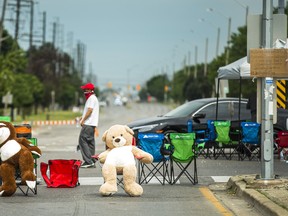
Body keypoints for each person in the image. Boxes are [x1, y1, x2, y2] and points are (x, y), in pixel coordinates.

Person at [78, 82, 99, 168]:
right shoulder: (93, 98)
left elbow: (90, 110)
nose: (84, 91)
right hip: (92, 124)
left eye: (85, 90)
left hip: (88, 124)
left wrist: (83, 120)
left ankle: (88, 161)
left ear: (90, 90)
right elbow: (90, 110)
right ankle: (92, 160)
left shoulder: (91, 98)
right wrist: (82, 116)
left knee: (82, 140)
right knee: (90, 142)